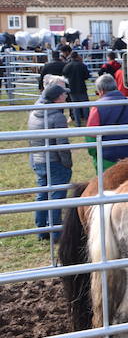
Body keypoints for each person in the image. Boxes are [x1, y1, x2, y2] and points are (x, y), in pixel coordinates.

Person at [27, 84, 73, 241]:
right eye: (63, 95)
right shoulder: (57, 116)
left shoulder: (34, 112)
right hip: (55, 161)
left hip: (38, 159)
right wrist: (67, 163)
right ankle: (56, 234)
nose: (66, 97)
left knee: (42, 194)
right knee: (56, 196)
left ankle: (42, 230)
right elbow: (62, 143)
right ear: (57, 98)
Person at [85, 74, 128, 171]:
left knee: (107, 184)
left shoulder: (97, 107)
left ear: (101, 91)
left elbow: (91, 135)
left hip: (108, 156)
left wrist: (94, 153)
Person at [62, 50, 91, 126]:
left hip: (72, 89)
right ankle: (87, 122)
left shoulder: (68, 66)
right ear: (77, 56)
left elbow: (64, 74)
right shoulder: (82, 65)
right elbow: (87, 76)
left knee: (75, 107)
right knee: (85, 106)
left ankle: (78, 123)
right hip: (82, 88)